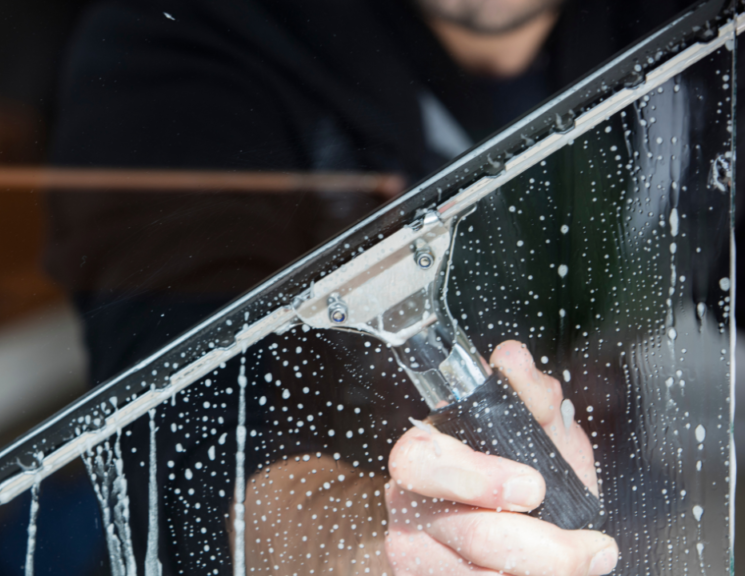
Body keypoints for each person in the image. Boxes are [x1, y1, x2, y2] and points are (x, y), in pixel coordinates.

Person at [43, 0, 706, 574]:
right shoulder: (186, 36)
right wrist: (374, 542)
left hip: (646, 511)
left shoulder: (692, 30)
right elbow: (183, 433)